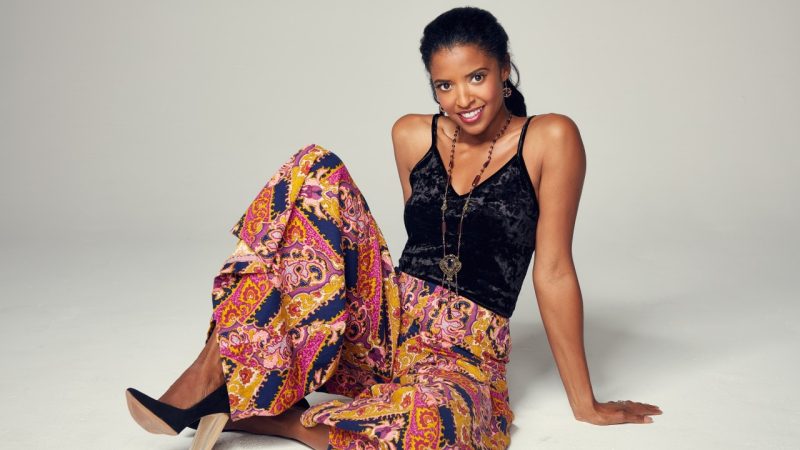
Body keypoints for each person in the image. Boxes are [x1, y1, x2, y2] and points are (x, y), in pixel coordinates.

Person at [125, 6, 662, 450]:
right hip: (387, 326)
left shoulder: (550, 138)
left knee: (432, 429)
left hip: (464, 354)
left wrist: (585, 404)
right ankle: (205, 379)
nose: (463, 99)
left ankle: (277, 420)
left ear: (504, 69)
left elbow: (553, 272)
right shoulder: (411, 135)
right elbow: (423, 240)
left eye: (476, 77)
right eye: (444, 86)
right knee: (312, 169)